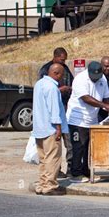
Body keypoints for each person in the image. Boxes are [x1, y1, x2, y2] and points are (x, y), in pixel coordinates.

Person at [67, 61, 109, 182]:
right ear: (88, 72)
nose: (95, 80)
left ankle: (85, 171)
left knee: (89, 147)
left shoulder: (102, 78)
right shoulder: (80, 79)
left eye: (97, 77)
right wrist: (103, 105)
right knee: (78, 147)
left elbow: (107, 96)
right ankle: (75, 173)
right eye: (93, 77)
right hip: (77, 120)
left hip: (92, 119)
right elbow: (86, 98)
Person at [32, 63, 68, 196]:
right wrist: (58, 128)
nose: (63, 77)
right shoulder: (52, 88)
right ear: (56, 73)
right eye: (62, 74)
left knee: (43, 159)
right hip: (50, 128)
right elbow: (54, 110)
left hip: (39, 128)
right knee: (53, 158)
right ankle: (50, 186)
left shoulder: (39, 84)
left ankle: (42, 184)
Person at [38, 47, 74, 178]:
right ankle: (55, 172)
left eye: (65, 60)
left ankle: (71, 168)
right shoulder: (45, 70)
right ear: (55, 57)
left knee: (69, 141)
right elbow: (46, 92)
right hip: (54, 112)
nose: (63, 61)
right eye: (61, 59)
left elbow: (72, 82)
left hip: (66, 106)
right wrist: (60, 90)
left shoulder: (65, 69)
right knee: (53, 146)